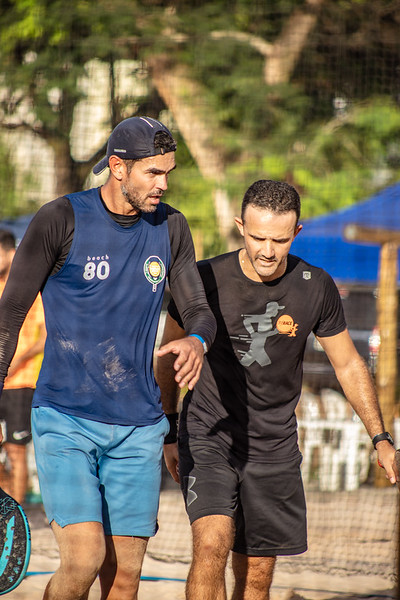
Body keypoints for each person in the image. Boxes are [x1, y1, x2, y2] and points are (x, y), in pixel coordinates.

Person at [0, 115, 216, 600]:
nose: (163, 185)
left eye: (168, 173)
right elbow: (9, 313)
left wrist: (197, 340)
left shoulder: (172, 226)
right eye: (153, 173)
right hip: (65, 418)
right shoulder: (60, 218)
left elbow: (199, 310)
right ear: (118, 167)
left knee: (124, 579)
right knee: (84, 559)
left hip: (139, 427)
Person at [156, 179, 398, 600]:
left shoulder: (315, 285)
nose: (267, 250)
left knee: (257, 575)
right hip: (209, 435)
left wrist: (381, 438)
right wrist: (169, 428)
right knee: (211, 544)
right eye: (258, 237)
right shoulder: (202, 279)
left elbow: (347, 364)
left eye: (280, 240)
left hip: (274, 444)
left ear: (296, 233)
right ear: (240, 228)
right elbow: (167, 357)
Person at [0, 229, 46, 504]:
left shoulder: (30, 289)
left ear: (10, 253)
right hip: (1, 382)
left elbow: (44, 337)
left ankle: (17, 517)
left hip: (22, 383)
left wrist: (15, 360)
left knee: (16, 451)